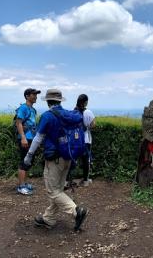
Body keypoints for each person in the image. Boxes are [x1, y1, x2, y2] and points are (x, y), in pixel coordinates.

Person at [22, 89, 88, 231]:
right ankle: (48, 219)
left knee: (53, 192)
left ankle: (77, 211)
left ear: (47, 101)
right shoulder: (68, 115)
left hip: (54, 159)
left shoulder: (47, 116)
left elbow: (38, 138)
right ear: (59, 101)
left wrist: (29, 156)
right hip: (68, 157)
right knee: (57, 190)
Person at [16, 88, 41, 195]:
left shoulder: (32, 110)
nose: (36, 96)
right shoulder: (23, 108)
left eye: (36, 95)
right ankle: (21, 186)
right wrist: (23, 137)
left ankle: (24, 184)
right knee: (24, 161)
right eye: (33, 94)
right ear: (27, 96)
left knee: (28, 162)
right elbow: (18, 123)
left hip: (31, 139)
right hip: (25, 139)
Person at [74, 94, 96, 187]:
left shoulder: (74, 111)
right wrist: (88, 126)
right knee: (86, 160)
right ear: (86, 102)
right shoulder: (88, 112)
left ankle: (68, 179)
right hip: (86, 139)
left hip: (75, 139)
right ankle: (86, 180)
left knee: (72, 160)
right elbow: (93, 124)